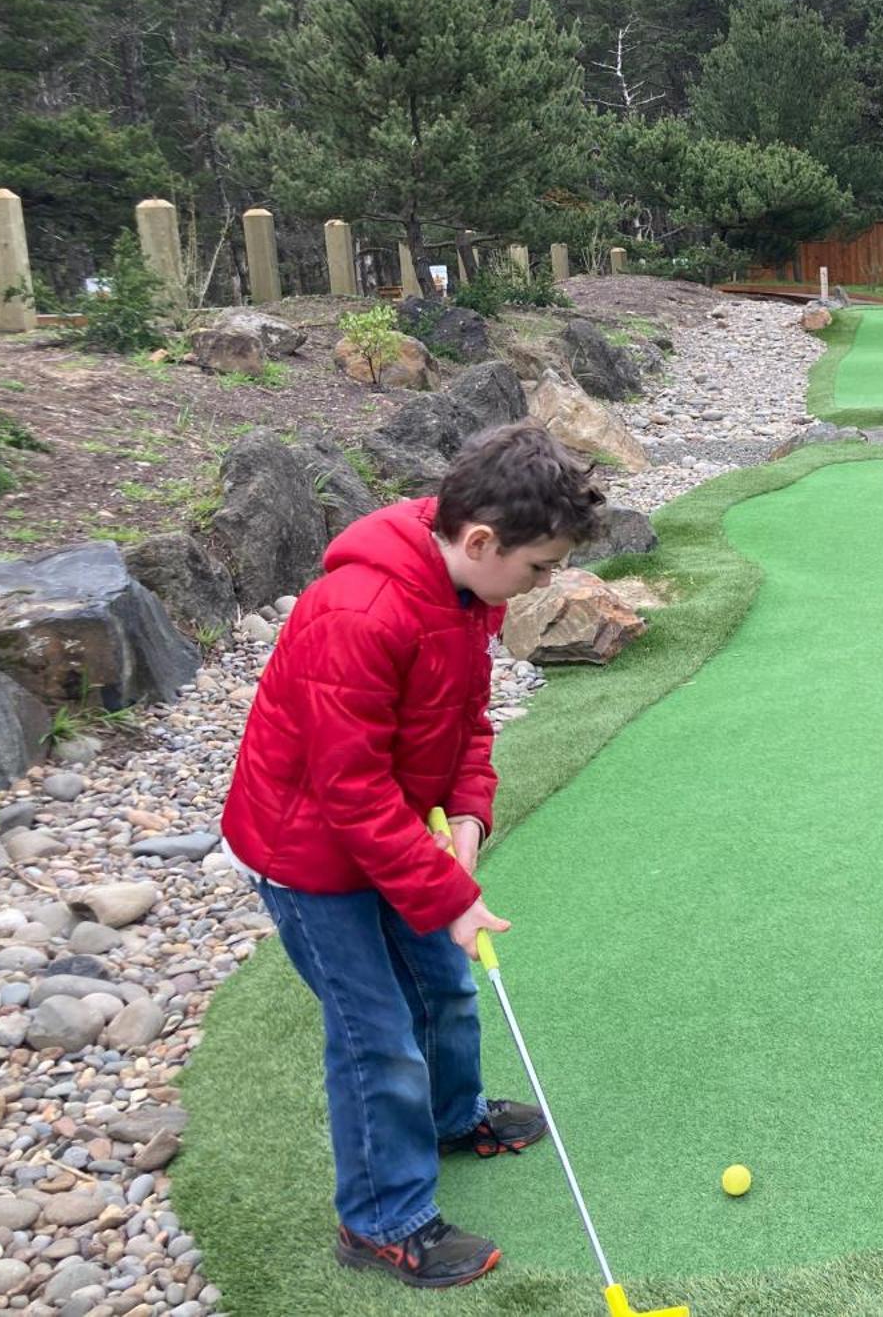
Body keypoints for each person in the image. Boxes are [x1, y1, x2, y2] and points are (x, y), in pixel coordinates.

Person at [221, 421, 605, 1288]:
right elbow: (345, 789)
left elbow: (468, 723)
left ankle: (452, 1114)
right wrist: (447, 892)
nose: (543, 582)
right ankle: (382, 1222)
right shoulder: (360, 613)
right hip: (311, 859)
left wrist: (466, 821)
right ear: (479, 540)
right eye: (540, 566)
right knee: (376, 1037)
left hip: (393, 834)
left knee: (444, 986)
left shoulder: (472, 595)